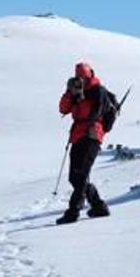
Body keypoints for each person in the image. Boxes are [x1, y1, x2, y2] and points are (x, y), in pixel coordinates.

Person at [56, 62, 111, 225]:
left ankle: (73, 212)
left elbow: (97, 111)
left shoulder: (98, 91)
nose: (81, 81)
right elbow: (63, 109)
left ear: (90, 76)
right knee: (75, 177)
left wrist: (82, 96)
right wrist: (70, 93)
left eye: (84, 78)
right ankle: (98, 206)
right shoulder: (75, 91)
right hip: (78, 135)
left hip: (92, 134)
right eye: (78, 78)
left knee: (80, 174)